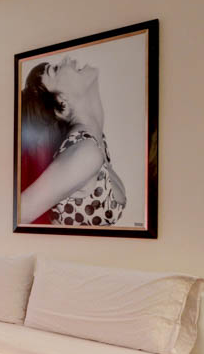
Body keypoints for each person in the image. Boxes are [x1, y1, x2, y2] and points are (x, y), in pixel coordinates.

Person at [17, 55, 126, 226]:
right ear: (62, 103)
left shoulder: (95, 142)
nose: (67, 60)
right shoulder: (85, 152)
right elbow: (18, 213)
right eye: (55, 69)